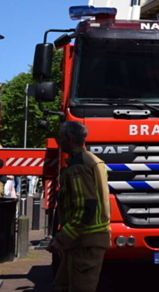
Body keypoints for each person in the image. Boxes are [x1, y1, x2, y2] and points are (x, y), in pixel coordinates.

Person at [48, 121, 111, 292]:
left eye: (60, 137)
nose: (58, 141)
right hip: (81, 241)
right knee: (62, 286)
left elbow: (85, 206)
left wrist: (61, 238)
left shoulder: (79, 166)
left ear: (68, 139)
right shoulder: (91, 161)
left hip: (85, 242)